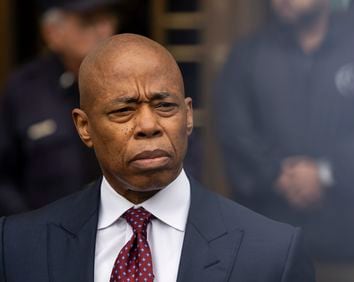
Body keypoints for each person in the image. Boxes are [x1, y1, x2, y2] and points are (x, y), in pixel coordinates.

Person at [0, 34, 315, 282]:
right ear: (84, 127)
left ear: (188, 116)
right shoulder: (19, 245)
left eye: (165, 106)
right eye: (124, 110)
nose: (149, 126)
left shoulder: (273, 254)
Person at [213, 0, 354, 280]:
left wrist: (323, 174)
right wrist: (277, 174)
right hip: (266, 249)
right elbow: (235, 132)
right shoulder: (247, 55)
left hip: (347, 245)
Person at [0, 0, 119, 215]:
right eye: (88, 21)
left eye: (106, 18)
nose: (104, 30)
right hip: (45, 234)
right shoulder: (24, 90)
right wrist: (28, 228)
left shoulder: (132, 78)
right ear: (52, 33)